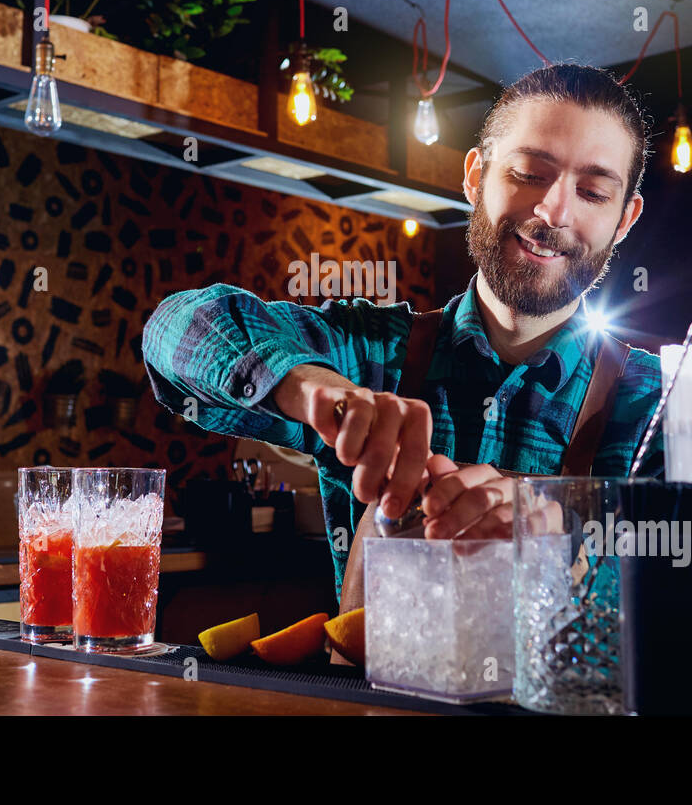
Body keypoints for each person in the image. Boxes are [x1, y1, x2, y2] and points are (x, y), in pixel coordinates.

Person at [142, 63, 664, 611]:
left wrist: (563, 522)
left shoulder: (659, 404)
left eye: (593, 192)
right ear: (475, 177)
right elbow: (178, 327)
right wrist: (317, 389)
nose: (554, 211)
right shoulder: (369, 353)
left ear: (625, 219)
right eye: (530, 173)